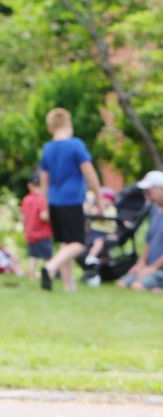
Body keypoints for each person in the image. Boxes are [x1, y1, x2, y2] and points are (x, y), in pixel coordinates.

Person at [37, 108, 108, 292]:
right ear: (68, 124)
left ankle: (69, 286)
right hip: (72, 200)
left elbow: (44, 181)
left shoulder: (48, 148)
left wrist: (44, 206)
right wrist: (99, 197)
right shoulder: (75, 145)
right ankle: (50, 267)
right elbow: (90, 173)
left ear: (51, 128)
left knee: (65, 243)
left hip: (53, 201)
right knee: (77, 243)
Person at [117, 170, 163, 292]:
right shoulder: (154, 211)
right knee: (121, 283)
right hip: (151, 266)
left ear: (161, 189)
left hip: (158, 268)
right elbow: (150, 241)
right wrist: (140, 264)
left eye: (149, 192)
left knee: (138, 287)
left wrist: (152, 268)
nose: (146, 196)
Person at [19, 171, 53, 280]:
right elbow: (44, 216)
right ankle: (49, 276)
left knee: (33, 257)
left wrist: (25, 231)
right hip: (43, 234)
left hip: (30, 233)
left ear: (29, 185)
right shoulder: (42, 199)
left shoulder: (26, 199)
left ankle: (32, 277)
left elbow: (22, 218)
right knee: (47, 257)